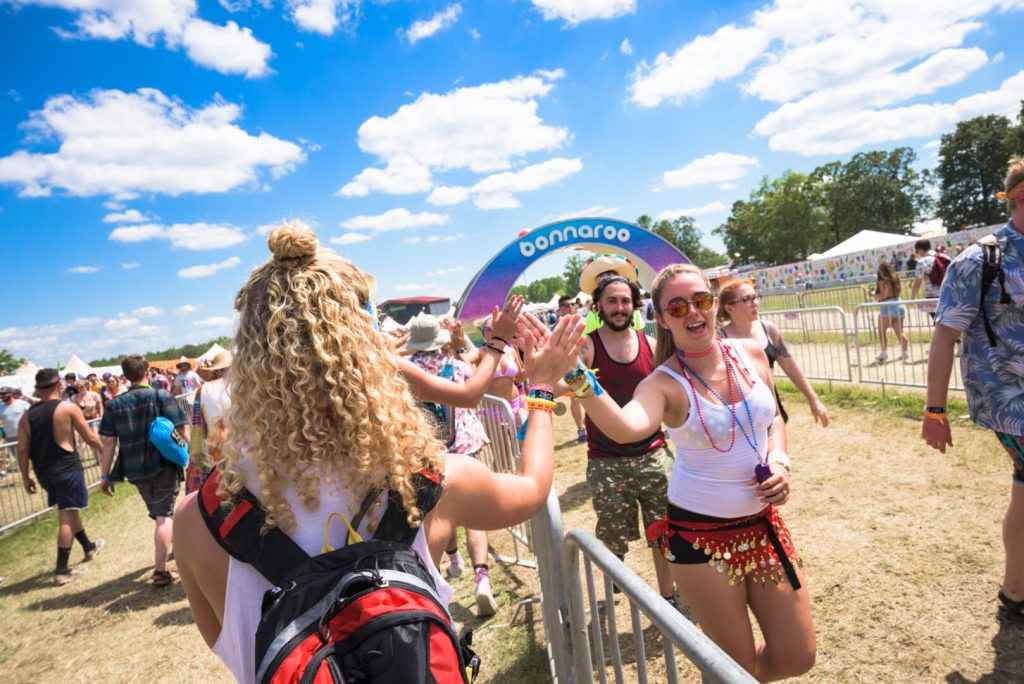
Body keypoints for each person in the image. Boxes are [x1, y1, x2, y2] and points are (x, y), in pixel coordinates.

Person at [171, 222, 582, 682]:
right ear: (366, 346)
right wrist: (542, 390)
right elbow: (531, 489)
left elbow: (235, 654)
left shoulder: (195, 521)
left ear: (249, 354)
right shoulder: (424, 481)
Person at [562, 263, 815, 680]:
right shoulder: (663, 383)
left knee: (798, 655)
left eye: (700, 301)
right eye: (677, 308)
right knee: (735, 667)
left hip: (764, 524)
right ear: (661, 318)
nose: (693, 313)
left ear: (715, 304)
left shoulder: (751, 353)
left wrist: (781, 462)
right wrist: (575, 374)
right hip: (701, 538)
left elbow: (773, 420)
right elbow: (625, 428)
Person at [922, 156, 1024, 624]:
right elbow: (945, 335)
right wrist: (935, 411)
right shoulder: (979, 259)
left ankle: (1015, 592)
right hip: (1009, 399)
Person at [568, 265, 679, 606]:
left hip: (653, 455)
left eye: (625, 301)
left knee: (664, 532)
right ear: (598, 306)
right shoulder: (586, 347)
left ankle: (668, 597)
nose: (619, 307)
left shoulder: (650, 343)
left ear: (635, 305)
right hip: (606, 461)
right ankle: (617, 573)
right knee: (613, 537)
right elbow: (563, 380)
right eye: (611, 301)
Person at [406, 315, 498, 616]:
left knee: (436, 519)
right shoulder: (456, 368)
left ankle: (431, 587)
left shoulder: (401, 374)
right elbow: (475, 385)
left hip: (424, 455)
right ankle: (481, 577)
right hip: (462, 450)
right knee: (475, 518)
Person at [98, 354, 189, 586]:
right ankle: (160, 570)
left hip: (136, 470)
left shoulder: (113, 405)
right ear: (147, 372)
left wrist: (105, 476)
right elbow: (182, 431)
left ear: (125, 376)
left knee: (160, 515)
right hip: (164, 465)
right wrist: (189, 454)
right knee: (163, 515)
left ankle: (171, 556)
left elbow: (108, 443)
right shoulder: (161, 396)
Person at [15, 369, 104, 585]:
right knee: (67, 516)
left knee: (69, 510)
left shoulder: (26, 417)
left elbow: (22, 450)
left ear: (37, 389)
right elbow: (89, 436)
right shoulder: (68, 408)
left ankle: (89, 547)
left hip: (45, 473)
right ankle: (61, 570)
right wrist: (106, 453)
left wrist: (26, 477)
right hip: (67, 468)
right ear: (59, 386)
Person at [717, 279, 829, 427]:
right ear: (729, 308)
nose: (755, 303)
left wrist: (813, 399)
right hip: (740, 417)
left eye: (755, 297)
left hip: (772, 408)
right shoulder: (720, 339)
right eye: (746, 299)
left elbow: (790, 367)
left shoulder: (769, 329)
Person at [185, 352, 232, 494]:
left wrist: (196, 461)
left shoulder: (203, 390)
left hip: (218, 455)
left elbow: (198, 427)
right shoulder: (247, 385)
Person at [557, 295, 587, 441]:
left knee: (592, 395)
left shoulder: (583, 321)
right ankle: (581, 429)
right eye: (567, 305)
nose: (570, 307)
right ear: (560, 308)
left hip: (587, 364)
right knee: (576, 398)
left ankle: (591, 425)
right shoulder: (558, 326)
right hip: (571, 367)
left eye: (571, 304)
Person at [872, 261, 909, 363]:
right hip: (899, 304)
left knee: (881, 330)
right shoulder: (895, 278)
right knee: (900, 332)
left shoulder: (883, 281)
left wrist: (872, 295)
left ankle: (884, 353)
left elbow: (884, 295)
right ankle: (904, 352)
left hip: (887, 307)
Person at [910, 239, 942, 319]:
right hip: (948, 294)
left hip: (932, 296)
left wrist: (912, 298)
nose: (916, 252)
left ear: (920, 249)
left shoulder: (922, 262)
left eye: (916, 250)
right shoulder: (943, 257)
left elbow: (917, 283)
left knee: (938, 323)